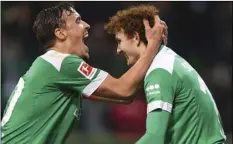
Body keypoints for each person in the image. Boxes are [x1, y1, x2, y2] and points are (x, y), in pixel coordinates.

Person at [1, 3, 166, 143]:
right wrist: (152, 44)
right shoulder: (62, 63)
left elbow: (124, 97)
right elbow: (124, 89)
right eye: (78, 21)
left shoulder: (53, 67)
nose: (87, 25)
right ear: (60, 33)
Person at [104, 4, 226, 144]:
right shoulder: (169, 61)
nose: (118, 50)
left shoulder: (160, 71)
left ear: (136, 37)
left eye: (119, 41)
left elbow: (154, 138)